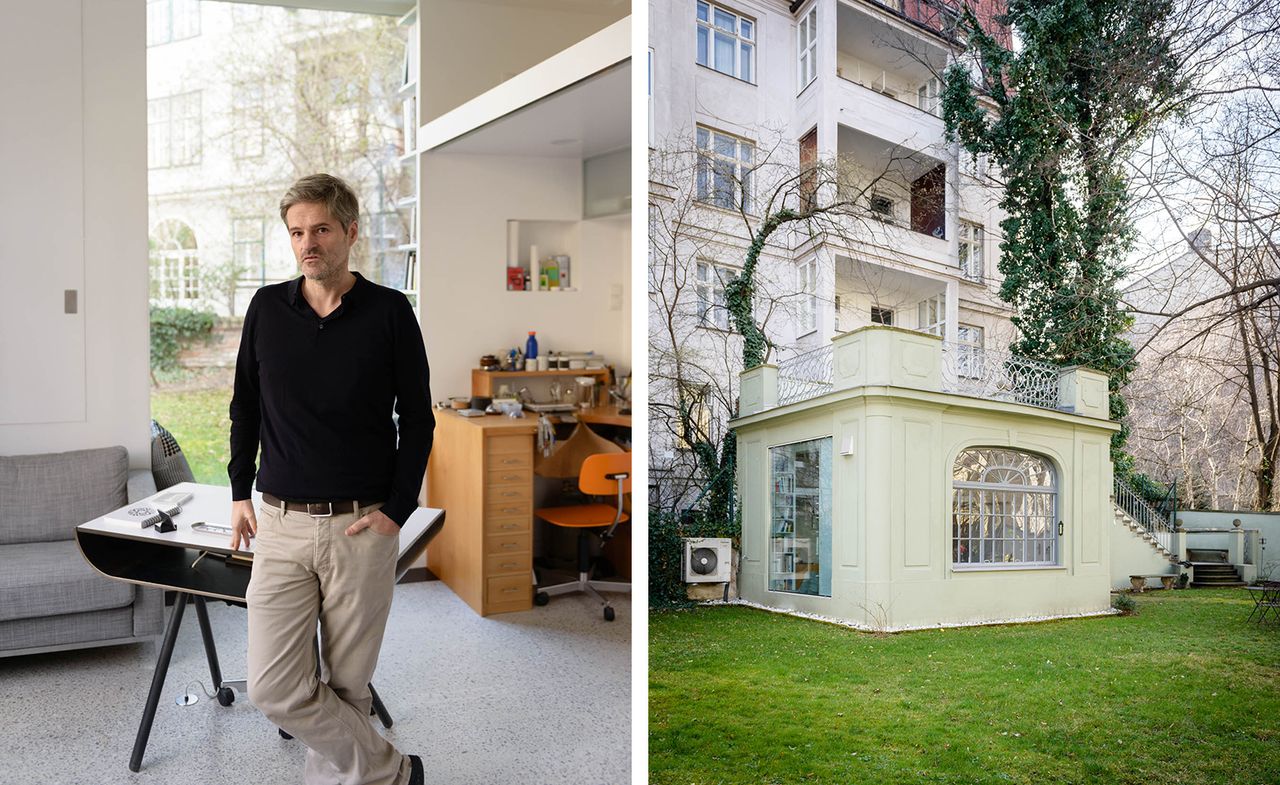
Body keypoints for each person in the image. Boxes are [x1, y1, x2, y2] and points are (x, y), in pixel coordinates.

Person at [227, 173, 433, 785]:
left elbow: (418, 419)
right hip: (283, 524)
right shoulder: (267, 308)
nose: (307, 243)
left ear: (350, 231)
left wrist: (398, 508)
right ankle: (392, 771)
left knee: (347, 683)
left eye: (319, 230)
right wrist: (240, 489)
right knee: (273, 686)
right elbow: (246, 406)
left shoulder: (391, 312)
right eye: (296, 232)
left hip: (361, 524)